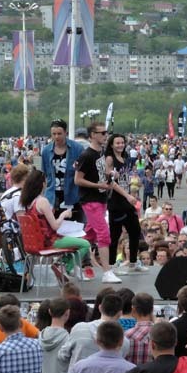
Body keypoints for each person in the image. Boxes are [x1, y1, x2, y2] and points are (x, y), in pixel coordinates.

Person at [18, 169, 91, 283]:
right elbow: (55, 226)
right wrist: (63, 215)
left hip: (36, 242)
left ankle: (60, 264)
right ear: (42, 184)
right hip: (50, 241)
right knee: (85, 244)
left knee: (76, 242)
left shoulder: (27, 202)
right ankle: (65, 266)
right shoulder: (42, 202)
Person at [73, 121, 118, 283]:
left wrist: (111, 174)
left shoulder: (101, 152)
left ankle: (72, 262)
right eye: (102, 133)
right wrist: (98, 185)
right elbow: (78, 180)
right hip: (90, 200)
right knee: (103, 234)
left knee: (89, 236)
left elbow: (102, 171)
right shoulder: (86, 155)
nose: (105, 135)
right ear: (92, 135)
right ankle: (107, 271)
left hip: (100, 198)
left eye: (106, 133)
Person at [105, 133, 146, 274]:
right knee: (114, 235)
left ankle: (133, 262)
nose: (120, 145)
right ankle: (111, 266)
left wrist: (132, 191)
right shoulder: (109, 159)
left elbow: (126, 177)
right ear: (111, 144)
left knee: (135, 230)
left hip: (127, 200)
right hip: (116, 202)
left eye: (122, 142)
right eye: (117, 143)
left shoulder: (126, 158)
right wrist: (127, 195)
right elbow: (111, 182)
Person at [41, 119, 84, 214]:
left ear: (66, 133)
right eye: (54, 134)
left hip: (72, 195)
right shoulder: (46, 151)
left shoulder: (77, 149)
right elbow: (44, 175)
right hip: (52, 196)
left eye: (59, 133)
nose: (56, 137)